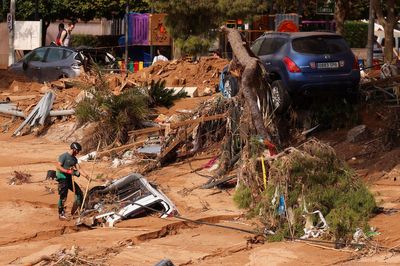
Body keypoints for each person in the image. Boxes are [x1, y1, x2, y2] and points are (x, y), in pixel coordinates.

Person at [56, 142, 88, 220]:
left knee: (79, 192)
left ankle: (79, 210)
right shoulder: (64, 156)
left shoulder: (74, 159)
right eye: (77, 151)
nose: (78, 152)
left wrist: (87, 177)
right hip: (62, 177)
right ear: (73, 149)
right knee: (63, 196)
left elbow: (79, 169)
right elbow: (58, 166)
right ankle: (61, 213)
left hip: (69, 178)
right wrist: (68, 171)